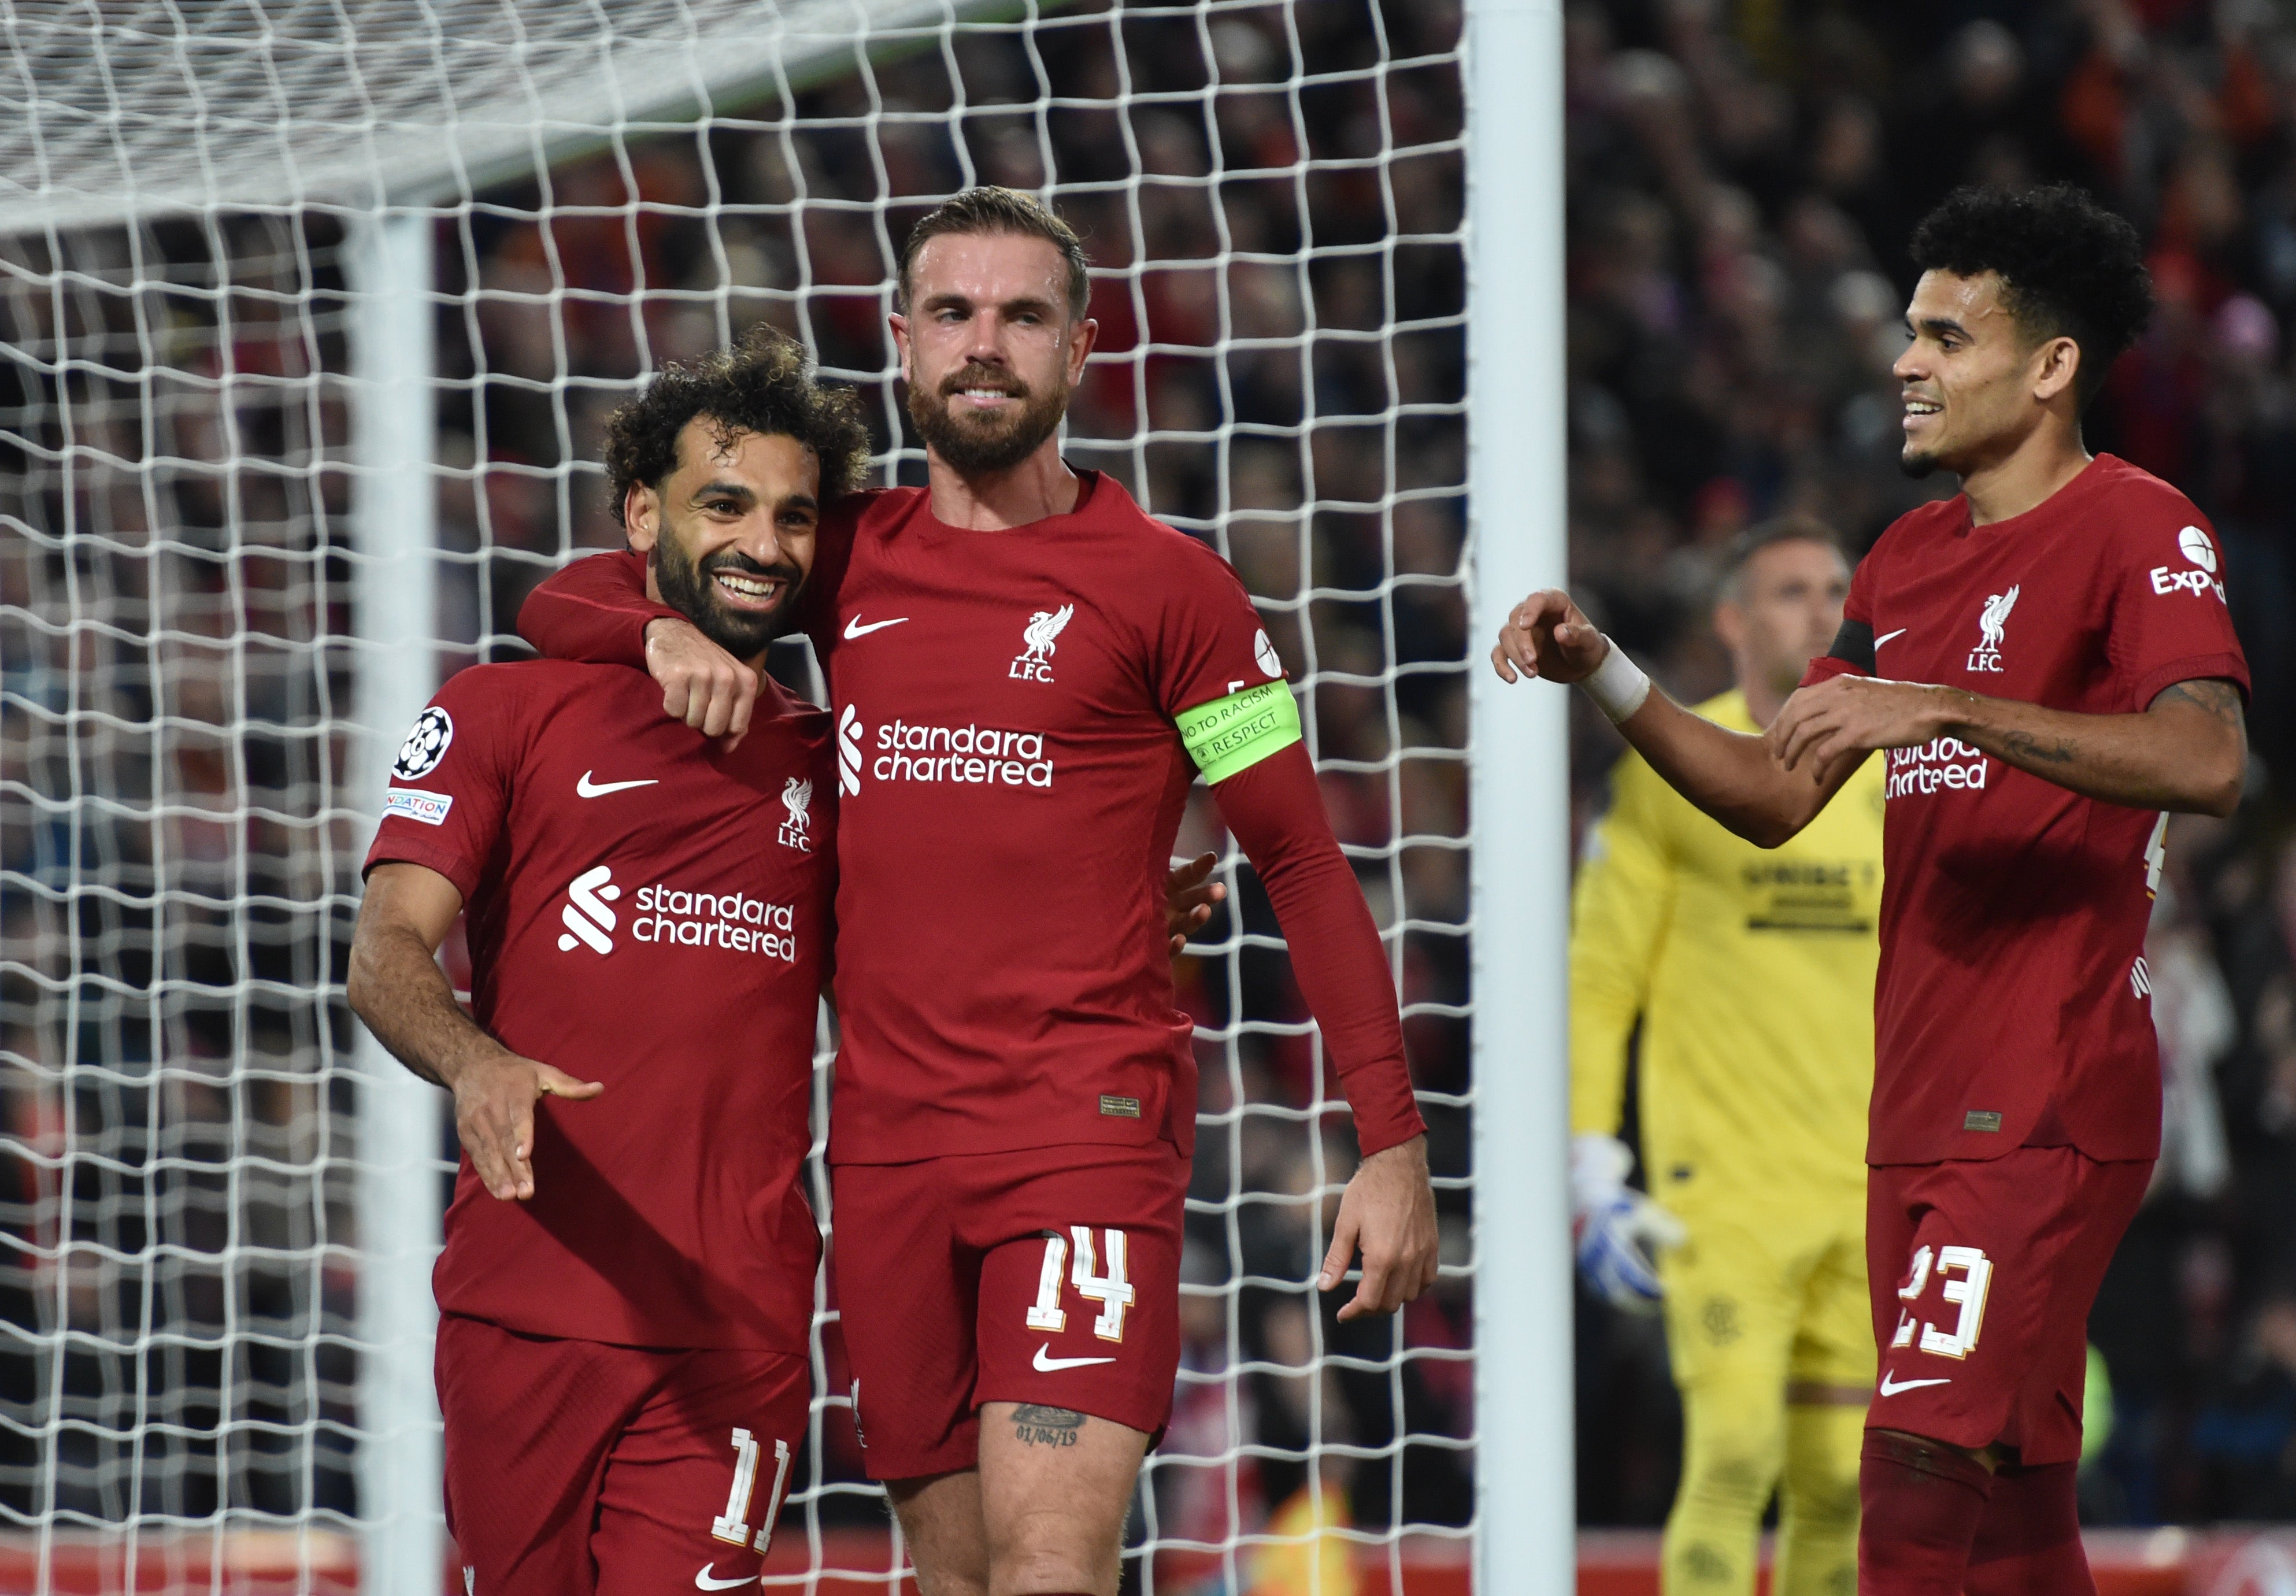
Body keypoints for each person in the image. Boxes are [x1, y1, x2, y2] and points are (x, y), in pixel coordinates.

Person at [516, 187, 1440, 1596]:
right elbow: (559, 598)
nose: (985, 344)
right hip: (887, 1159)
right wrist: (653, 636)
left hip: (1084, 1135)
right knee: (952, 1578)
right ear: (901, 342)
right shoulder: (850, 555)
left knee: (1052, 1561)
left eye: (1023, 316)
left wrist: (1388, 1142)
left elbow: (1303, 861)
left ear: (1083, 349)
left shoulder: (1179, 596)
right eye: (953, 313)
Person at [1495, 183, 2250, 1596]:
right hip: (1913, 1108)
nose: (1907, 361)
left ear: (2049, 366)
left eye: (1947, 337)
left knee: (1902, 1479)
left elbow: (2209, 759)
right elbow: (1777, 793)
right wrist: (1608, 670)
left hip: (2045, 1095)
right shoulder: (1906, 561)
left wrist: (1949, 710)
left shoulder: (2140, 527)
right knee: (2020, 1523)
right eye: (1909, 331)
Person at [346, 332, 862, 1593]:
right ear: (642, 511)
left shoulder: (828, 763)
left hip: (733, 1328)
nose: (763, 543)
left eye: (795, 516)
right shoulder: (500, 709)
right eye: (724, 503)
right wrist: (475, 1063)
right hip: (527, 1304)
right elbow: (383, 951)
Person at [1570, 518, 1880, 1596]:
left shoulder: (1886, 777)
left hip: (1861, 1187)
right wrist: (1589, 1157)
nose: (1821, 608)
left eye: (1835, 587)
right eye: (1790, 590)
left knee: (1841, 1483)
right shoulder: (1672, 766)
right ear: (1732, 620)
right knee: (1735, 1450)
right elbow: (1603, 975)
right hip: (1725, 1192)